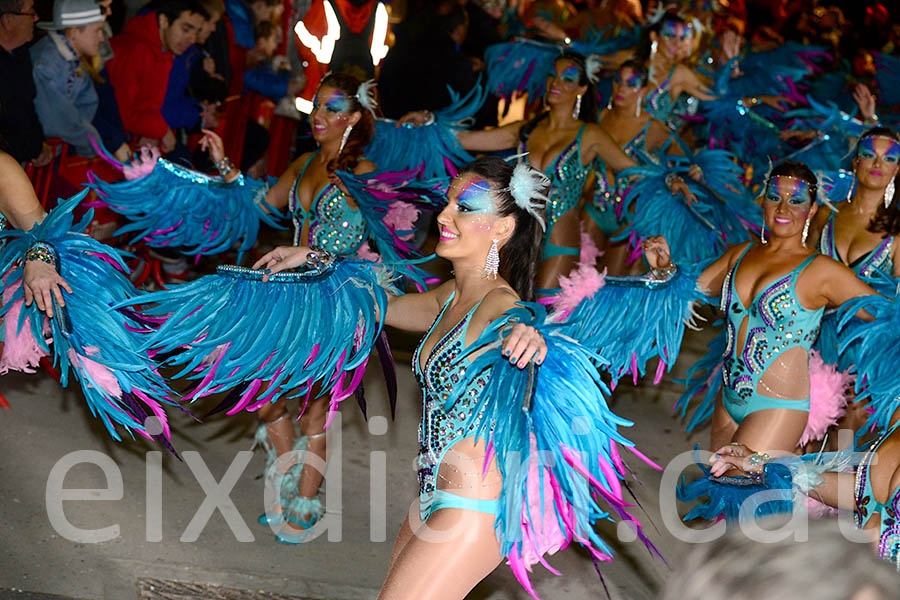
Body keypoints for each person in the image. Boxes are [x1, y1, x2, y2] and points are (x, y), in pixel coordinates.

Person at [403, 52, 694, 292]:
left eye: (567, 79)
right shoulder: (528, 128)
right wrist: (429, 120)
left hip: (559, 233)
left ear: (581, 89)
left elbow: (633, 169)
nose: (556, 83)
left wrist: (671, 178)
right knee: (505, 304)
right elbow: (468, 139)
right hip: (517, 233)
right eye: (553, 76)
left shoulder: (590, 134)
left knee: (540, 316)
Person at [105, 0, 209, 153]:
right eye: (186, 29)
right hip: (108, 146)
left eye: (197, 32)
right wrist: (161, 130)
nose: (192, 39)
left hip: (133, 140)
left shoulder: (163, 52)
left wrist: (152, 131)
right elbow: (122, 112)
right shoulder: (134, 50)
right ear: (164, 21)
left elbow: (149, 106)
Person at [30, 0, 128, 160]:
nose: (102, 38)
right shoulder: (46, 65)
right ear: (74, 32)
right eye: (97, 31)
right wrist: (96, 144)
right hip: (38, 161)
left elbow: (87, 106)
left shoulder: (73, 60)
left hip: (56, 154)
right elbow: (58, 121)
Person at [0, 0, 52, 166]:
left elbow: (27, 106)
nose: (36, 18)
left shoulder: (22, 53)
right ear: (8, 20)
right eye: (30, 12)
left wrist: (38, 144)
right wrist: (33, 148)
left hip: (18, 161)